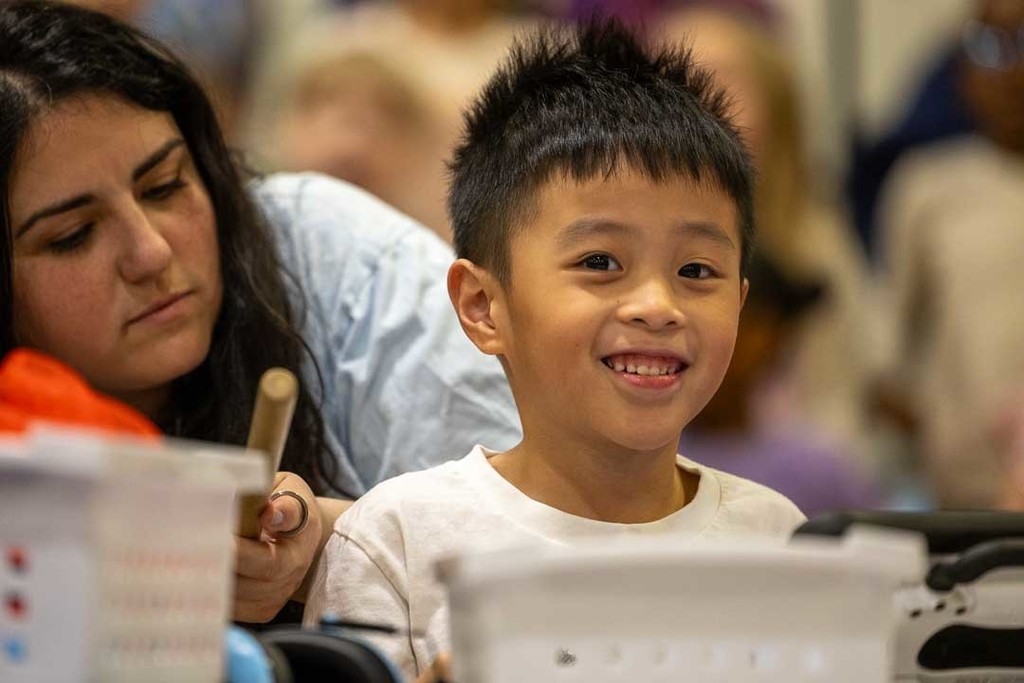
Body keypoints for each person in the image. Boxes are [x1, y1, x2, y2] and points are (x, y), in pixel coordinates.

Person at [304, 19, 806, 679]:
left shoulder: (778, 538)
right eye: (601, 260)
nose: (657, 305)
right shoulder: (395, 539)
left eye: (696, 271)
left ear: (739, 302)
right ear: (483, 307)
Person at [0, 0, 520, 624]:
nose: (151, 251)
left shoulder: (335, 259)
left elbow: (534, 545)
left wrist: (330, 537)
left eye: (165, 187)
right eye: (72, 235)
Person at [874, 0, 1024, 508]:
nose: (1014, 67)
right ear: (961, 71)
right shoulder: (927, 188)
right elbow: (889, 356)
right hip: (959, 497)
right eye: (991, 47)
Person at [680, 253, 884, 517]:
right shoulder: (645, 466)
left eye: (776, 332)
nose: (769, 345)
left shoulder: (819, 471)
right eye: (752, 326)